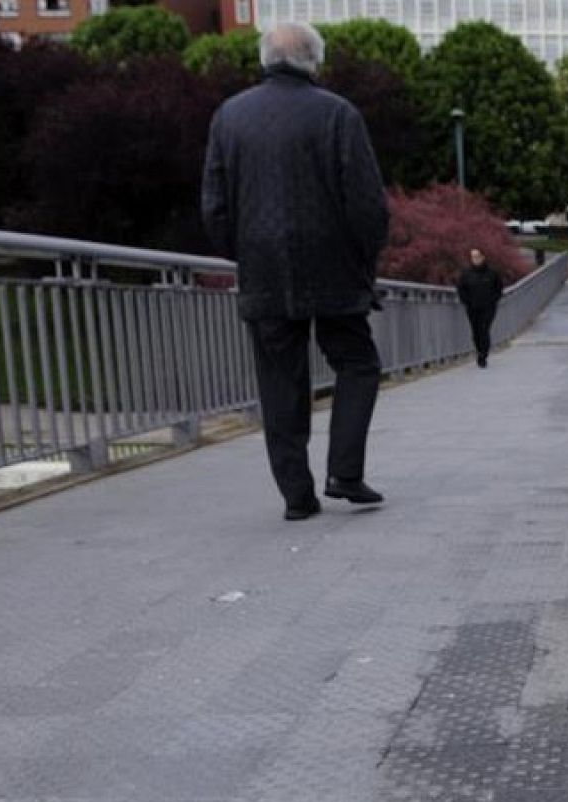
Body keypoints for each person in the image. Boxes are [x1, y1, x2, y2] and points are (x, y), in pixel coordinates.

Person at [201, 23, 389, 521]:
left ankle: (297, 497)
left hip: (263, 268)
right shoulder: (337, 114)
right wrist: (363, 266)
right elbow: (368, 206)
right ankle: (344, 474)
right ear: (314, 62)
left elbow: (214, 208)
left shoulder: (229, 117)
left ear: (266, 59)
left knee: (280, 383)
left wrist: (244, 252)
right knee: (357, 363)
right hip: (333, 267)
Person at [456, 248, 504, 368]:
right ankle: (479, 351)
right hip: (472, 307)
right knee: (475, 331)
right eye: (472, 257)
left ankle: (483, 355)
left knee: (484, 329)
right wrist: (466, 301)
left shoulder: (492, 273)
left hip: (488, 307)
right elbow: (461, 289)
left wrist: (494, 299)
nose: (475, 259)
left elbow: (499, 287)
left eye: (477, 256)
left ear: (483, 257)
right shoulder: (466, 273)